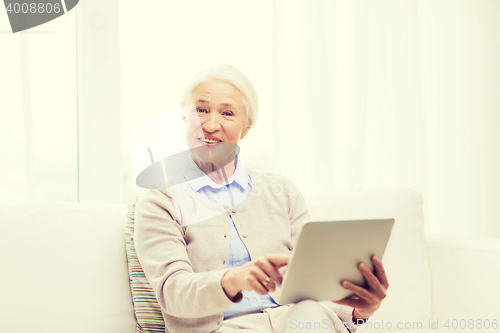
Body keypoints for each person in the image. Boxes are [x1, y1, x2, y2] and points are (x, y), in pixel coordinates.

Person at [134, 64, 389, 333]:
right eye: (201, 109)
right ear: (184, 118)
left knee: (309, 313)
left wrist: (359, 310)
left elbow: (313, 282)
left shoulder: (282, 191)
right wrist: (233, 279)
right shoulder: (160, 201)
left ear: (246, 128)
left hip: (296, 323)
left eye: (227, 113)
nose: (210, 125)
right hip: (222, 329)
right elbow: (173, 292)